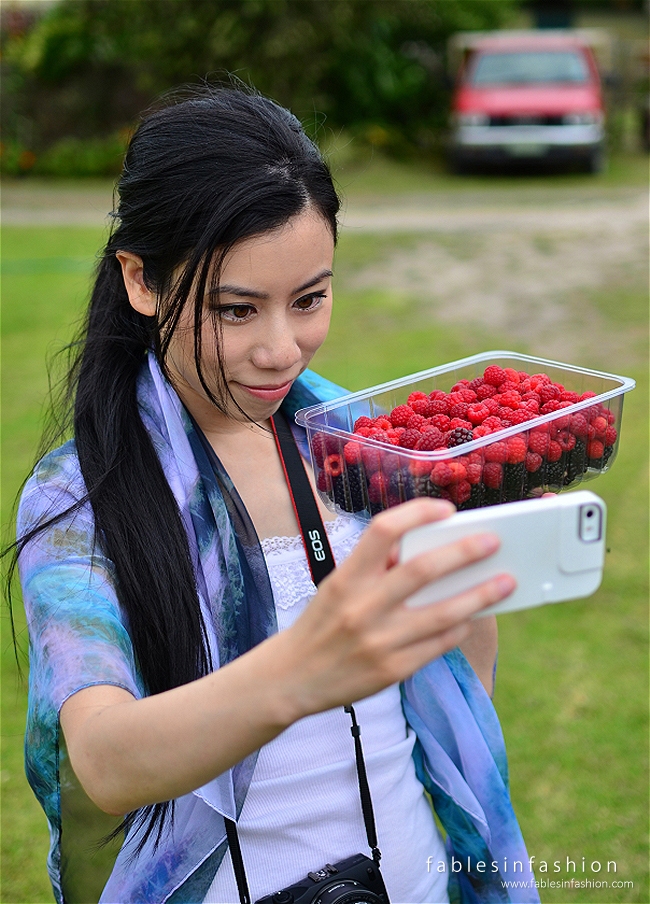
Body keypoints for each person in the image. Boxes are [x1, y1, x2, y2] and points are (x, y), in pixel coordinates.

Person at [14, 86, 540, 904]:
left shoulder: (368, 445)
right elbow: (106, 761)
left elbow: (454, 693)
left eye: (310, 299)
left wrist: (471, 578)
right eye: (235, 309)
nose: (279, 349)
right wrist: (303, 665)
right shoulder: (81, 495)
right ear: (142, 280)